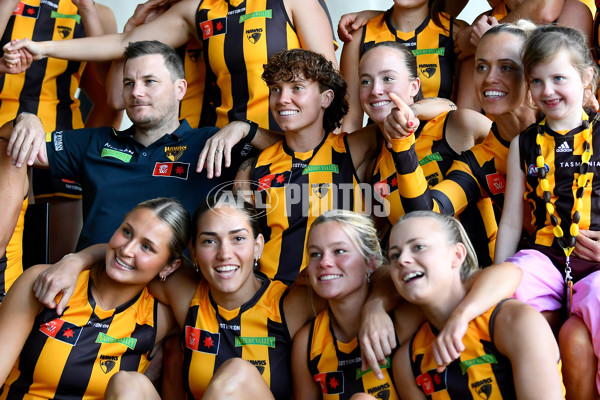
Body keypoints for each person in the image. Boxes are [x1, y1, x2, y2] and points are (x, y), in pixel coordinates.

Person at [2, 40, 274, 251]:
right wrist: (24, 120)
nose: (136, 92)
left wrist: (245, 129)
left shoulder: (210, 143)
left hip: (169, 293)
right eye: (129, 83)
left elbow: (299, 150)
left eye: (149, 82)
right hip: (90, 290)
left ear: (180, 89)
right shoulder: (96, 142)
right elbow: (9, 140)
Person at [74, 193, 324, 399]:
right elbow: (128, 255)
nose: (224, 254)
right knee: (126, 383)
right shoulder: (185, 291)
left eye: (238, 238)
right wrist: (75, 260)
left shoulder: (289, 303)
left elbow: (350, 287)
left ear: (258, 246)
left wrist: (367, 310)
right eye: (209, 241)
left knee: (237, 373)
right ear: (192, 252)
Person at [4, 0, 337, 132]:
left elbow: (331, 84)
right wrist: (41, 47)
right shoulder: (199, 8)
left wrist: (333, 154)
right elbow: (123, 44)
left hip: (291, 148)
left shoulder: (293, 1)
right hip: (221, 152)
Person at [494, 24, 600, 399]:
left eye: (559, 78)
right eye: (536, 81)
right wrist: (500, 274)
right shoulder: (522, 144)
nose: (547, 91)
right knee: (509, 289)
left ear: (587, 77)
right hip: (545, 256)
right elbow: (509, 219)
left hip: (595, 259)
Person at [0, 197, 188, 399]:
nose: (126, 250)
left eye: (147, 247)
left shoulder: (159, 318)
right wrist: (77, 259)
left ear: (170, 266)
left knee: (131, 386)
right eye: (127, 232)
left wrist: (80, 257)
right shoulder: (47, 282)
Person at [389, 211, 564, 399]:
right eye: (394, 255)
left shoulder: (516, 321)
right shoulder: (407, 361)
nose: (402, 260)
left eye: (418, 247)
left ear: (456, 255)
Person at [1, 0, 123, 262]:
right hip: (3, 140)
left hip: (58, 145)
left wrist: (88, 154)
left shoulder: (97, 12)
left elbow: (110, 96)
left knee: (54, 263)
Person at [358, 40, 494, 264]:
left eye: (388, 78)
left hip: (488, 278)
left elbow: (515, 154)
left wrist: (415, 111)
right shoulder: (373, 165)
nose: (375, 90)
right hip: (423, 289)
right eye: (366, 81)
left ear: (414, 87)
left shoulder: (456, 125)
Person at [292, 209, 399, 399]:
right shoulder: (306, 342)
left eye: (339, 251)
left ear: (370, 262)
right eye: (315, 254)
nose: (324, 262)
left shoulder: (401, 319)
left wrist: (376, 306)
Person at [339, 0, 468, 132]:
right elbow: (350, 121)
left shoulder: (457, 33)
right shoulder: (359, 35)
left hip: (442, 147)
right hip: (381, 148)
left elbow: (466, 116)